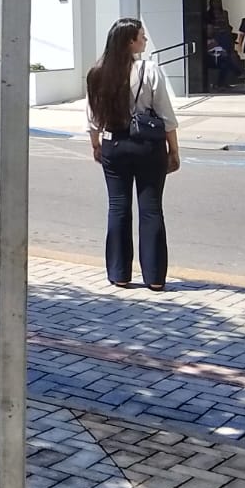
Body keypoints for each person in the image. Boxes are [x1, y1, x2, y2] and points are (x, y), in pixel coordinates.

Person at [86, 18, 180, 291]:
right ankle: (154, 277)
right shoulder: (149, 70)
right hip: (148, 146)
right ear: (130, 41)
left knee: (118, 206)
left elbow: (93, 118)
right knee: (151, 209)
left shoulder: (97, 73)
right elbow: (165, 115)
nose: (145, 40)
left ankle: (119, 273)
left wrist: (96, 146)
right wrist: (173, 149)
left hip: (113, 144)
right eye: (142, 36)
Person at [204, 0, 237, 89]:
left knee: (227, 58)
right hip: (216, 38)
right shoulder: (208, 14)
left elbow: (227, 25)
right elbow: (209, 28)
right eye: (214, 2)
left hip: (225, 37)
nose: (216, 4)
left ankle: (223, 82)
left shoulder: (224, 13)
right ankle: (222, 81)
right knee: (222, 59)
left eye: (218, 2)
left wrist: (229, 36)